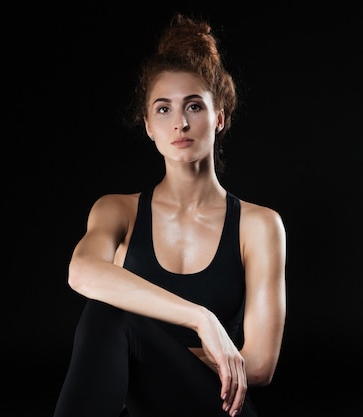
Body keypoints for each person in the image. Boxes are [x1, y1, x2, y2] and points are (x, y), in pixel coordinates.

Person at [53, 13, 287, 417]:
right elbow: (82, 271)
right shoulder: (117, 209)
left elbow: (261, 365)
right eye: (163, 109)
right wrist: (202, 320)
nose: (179, 122)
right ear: (147, 126)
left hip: (218, 406)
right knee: (105, 311)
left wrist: (135, 355)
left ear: (220, 117)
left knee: (117, 322)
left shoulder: (258, 224)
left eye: (194, 106)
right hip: (144, 408)